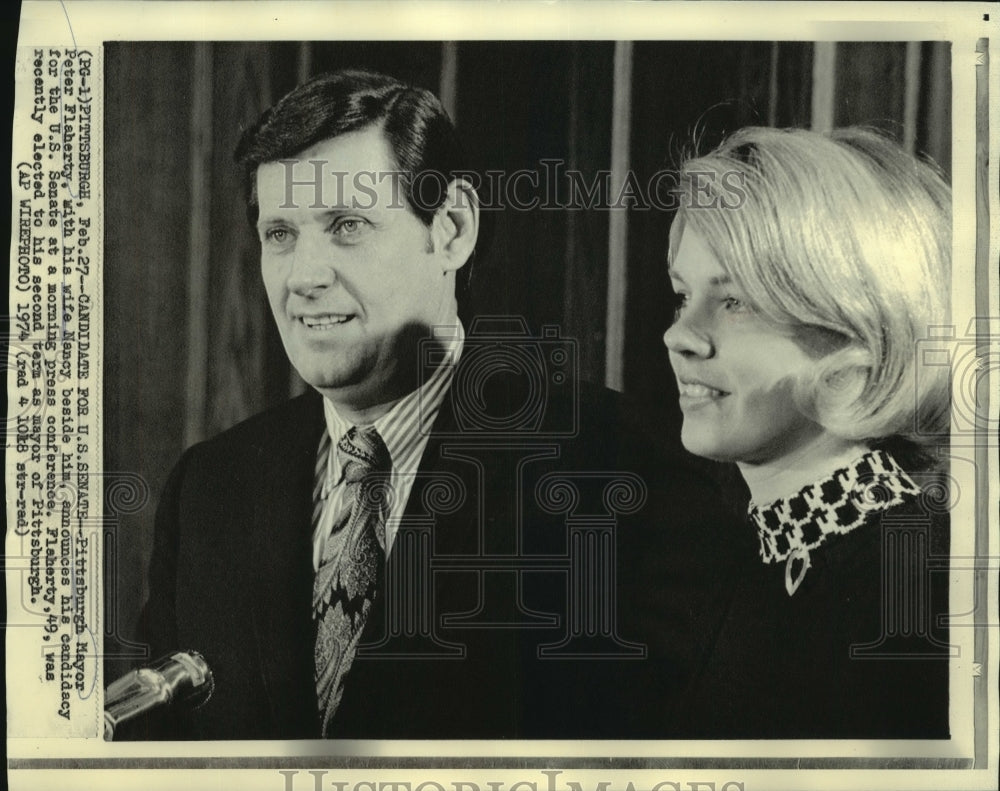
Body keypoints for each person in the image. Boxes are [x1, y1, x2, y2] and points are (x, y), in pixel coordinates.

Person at [133, 69, 738, 740]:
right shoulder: (209, 489)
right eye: (280, 234)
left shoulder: (625, 469)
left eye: (346, 225)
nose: (303, 276)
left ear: (452, 228)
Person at [662, 126, 952, 738]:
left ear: (856, 324)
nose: (679, 335)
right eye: (681, 295)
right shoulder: (737, 562)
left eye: (735, 300)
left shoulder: (921, 583)